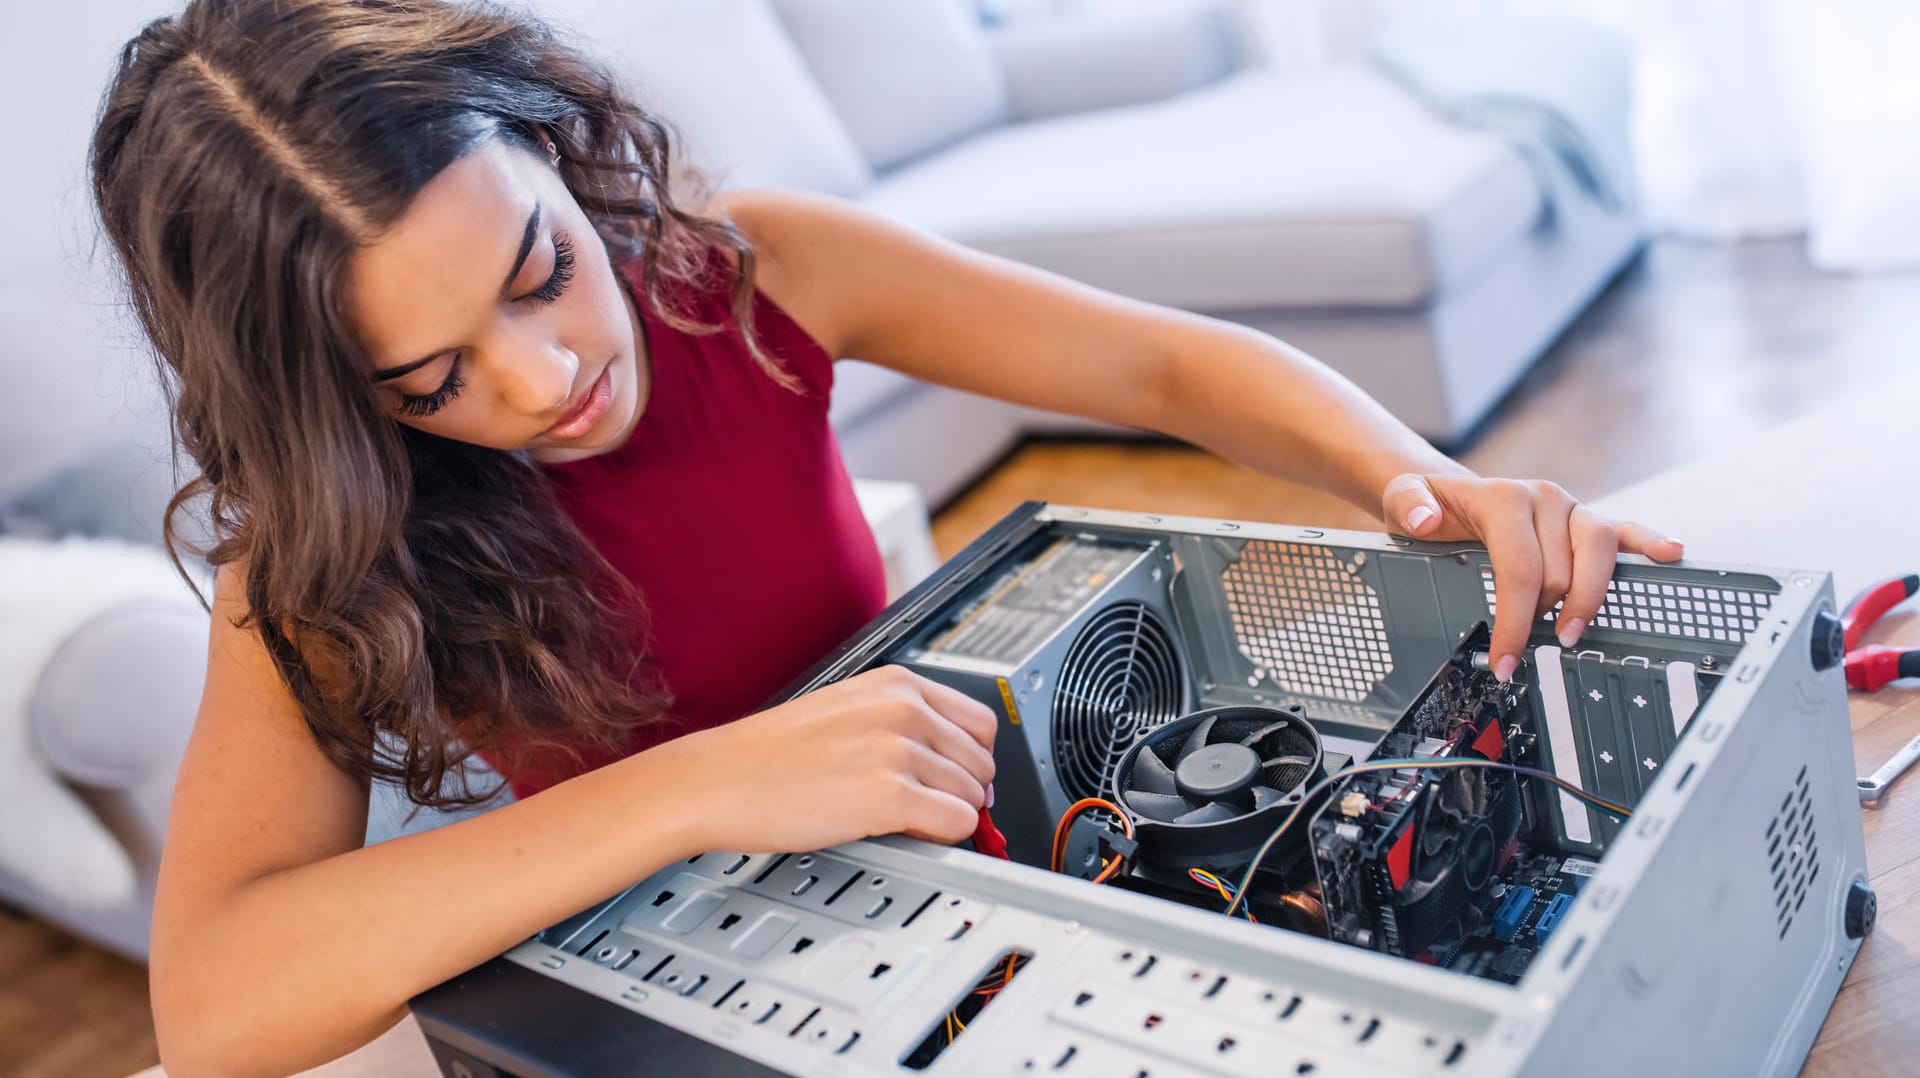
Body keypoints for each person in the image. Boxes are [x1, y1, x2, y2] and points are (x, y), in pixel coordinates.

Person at [89, 0, 1682, 1071]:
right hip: (717, 973)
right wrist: (712, 779)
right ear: (334, 404)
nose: (546, 376)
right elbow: (215, 995)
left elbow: (1156, 361)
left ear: (559, 152)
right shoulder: (322, 547)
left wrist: (1416, 486)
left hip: (972, 845)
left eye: (538, 270)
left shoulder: (752, 272)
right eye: (430, 379)